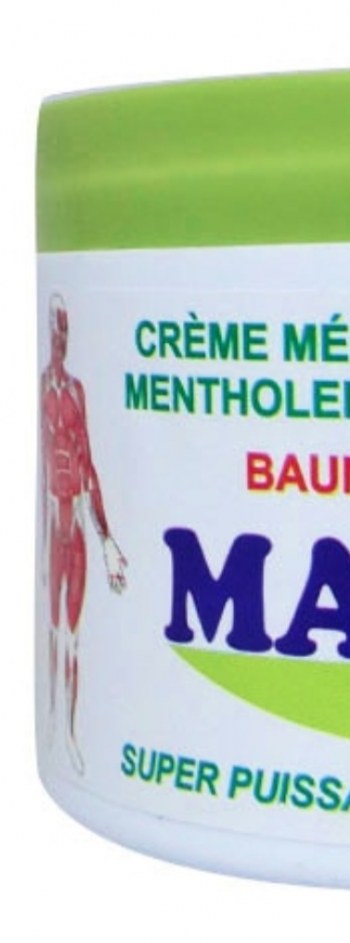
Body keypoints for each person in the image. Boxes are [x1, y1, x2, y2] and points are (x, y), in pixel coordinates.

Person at [41, 294, 127, 774]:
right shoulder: (43, 389)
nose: (61, 338)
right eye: (56, 328)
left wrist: (107, 539)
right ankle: (53, 726)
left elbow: (88, 464)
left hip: (76, 523)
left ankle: (69, 734)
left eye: (66, 329)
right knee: (53, 630)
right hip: (54, 521)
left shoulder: (76, 392)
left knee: (71, 635)